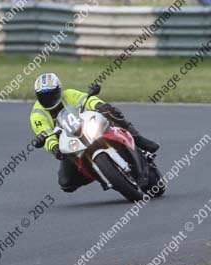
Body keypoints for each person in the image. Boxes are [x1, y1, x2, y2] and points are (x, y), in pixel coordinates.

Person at [30, 73, 160, 193]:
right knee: (66, 183)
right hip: (70, 143)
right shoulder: (37, 115)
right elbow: (46, 137)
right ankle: (97, 172)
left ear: (59, 90)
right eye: (44, 96)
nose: (49, 99)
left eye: (52, 94)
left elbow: (86, 100)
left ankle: (138, 139)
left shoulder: (69, 94)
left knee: (111, 111)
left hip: (88, 126)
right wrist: (54, 148)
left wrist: (98, 105)